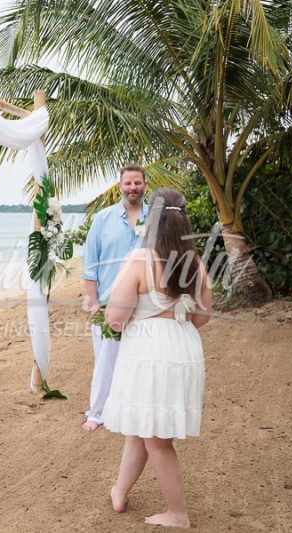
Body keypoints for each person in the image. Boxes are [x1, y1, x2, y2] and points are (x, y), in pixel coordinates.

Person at [101, 188, 212, 528]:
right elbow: (203, 316)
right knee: (142, 426)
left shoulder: (139, 261)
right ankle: (120, 491)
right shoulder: (195, 264)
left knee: (157, 440)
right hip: (183, 347)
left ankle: (177, 513)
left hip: (149, 352)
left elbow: (115, 319)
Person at [81, 164, 149, 431]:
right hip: (108, 304)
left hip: (145, 305)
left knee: (141, 361)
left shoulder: (155, 219)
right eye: (128, 183)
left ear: (145, 185)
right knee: (105, 362)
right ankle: (96, 413)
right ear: (120, 186)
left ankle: (135, 411)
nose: (133, 188)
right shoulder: (102, 219)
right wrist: (95, 303)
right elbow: (90, 266)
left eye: (137, 183)